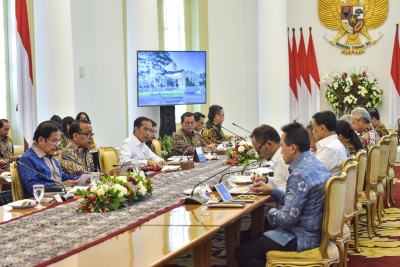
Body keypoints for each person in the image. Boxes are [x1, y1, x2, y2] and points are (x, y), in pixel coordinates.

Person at [235, 122, 331, 267]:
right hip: (316, 231)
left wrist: (271, 213)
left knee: (243, 252)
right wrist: (273, 190)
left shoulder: (299, 174)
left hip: (302, 236)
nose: (280, 152)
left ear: (293, 148)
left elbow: (287, 219)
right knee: (258, 236)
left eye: (283, 147)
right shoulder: (314, 163)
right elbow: (297, 200)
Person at [16, 121, 90, 198]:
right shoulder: (27, 159)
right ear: (41, 140)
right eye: (54, 141)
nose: (57, 145)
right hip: (42, 201)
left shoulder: (50, 157)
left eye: (58, 141)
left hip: (60, 197)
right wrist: (62, 184)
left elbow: (62, 176)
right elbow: (33, 187)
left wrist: (81, 179)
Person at [249, 124, 289, 191]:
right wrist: (266, 179)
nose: (258, 154)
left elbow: (293, 194)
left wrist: (272, 190)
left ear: (269, 144)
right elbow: (282, 181)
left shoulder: (285, 159)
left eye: (258, 150)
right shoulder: (278, 157)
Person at [312, 110, 347, 176]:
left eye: (314, 128)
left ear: (322, 128)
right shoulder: (334, 144)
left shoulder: (330, 149)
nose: (313, 132)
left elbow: (312, 173)